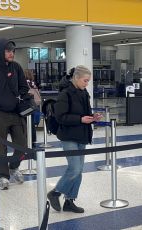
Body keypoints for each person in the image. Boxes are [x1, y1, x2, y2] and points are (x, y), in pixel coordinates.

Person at [47, 65, 102, 213]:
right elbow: (60, 117)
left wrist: (93, 118)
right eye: (85, 80)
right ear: (76, 78)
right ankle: (55, 192)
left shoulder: (84, 93)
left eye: (88, 81)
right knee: (75, 168)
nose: (87, 84)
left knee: (79, 171)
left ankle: (69, 201)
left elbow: (86, 113)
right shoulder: (65, 94)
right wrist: (80, 119)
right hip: (69, 136)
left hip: (82, 135)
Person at [0, 38, 29, 190]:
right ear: (0, 51)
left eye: (13, 51)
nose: (11, 54)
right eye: (8, 51)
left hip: (16, 114)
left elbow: (24, 87)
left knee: (22, 145)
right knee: (1, 147)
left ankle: (14, 167)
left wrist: (19, 97)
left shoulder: (16, 67)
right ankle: (3, 176)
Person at [24, 69, 38, 147]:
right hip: (33, 105)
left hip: (27, 105)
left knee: (26, 123)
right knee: (31, 123)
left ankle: (27, 140)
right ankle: (33, 140)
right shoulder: (33, 83)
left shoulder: (25, 82)